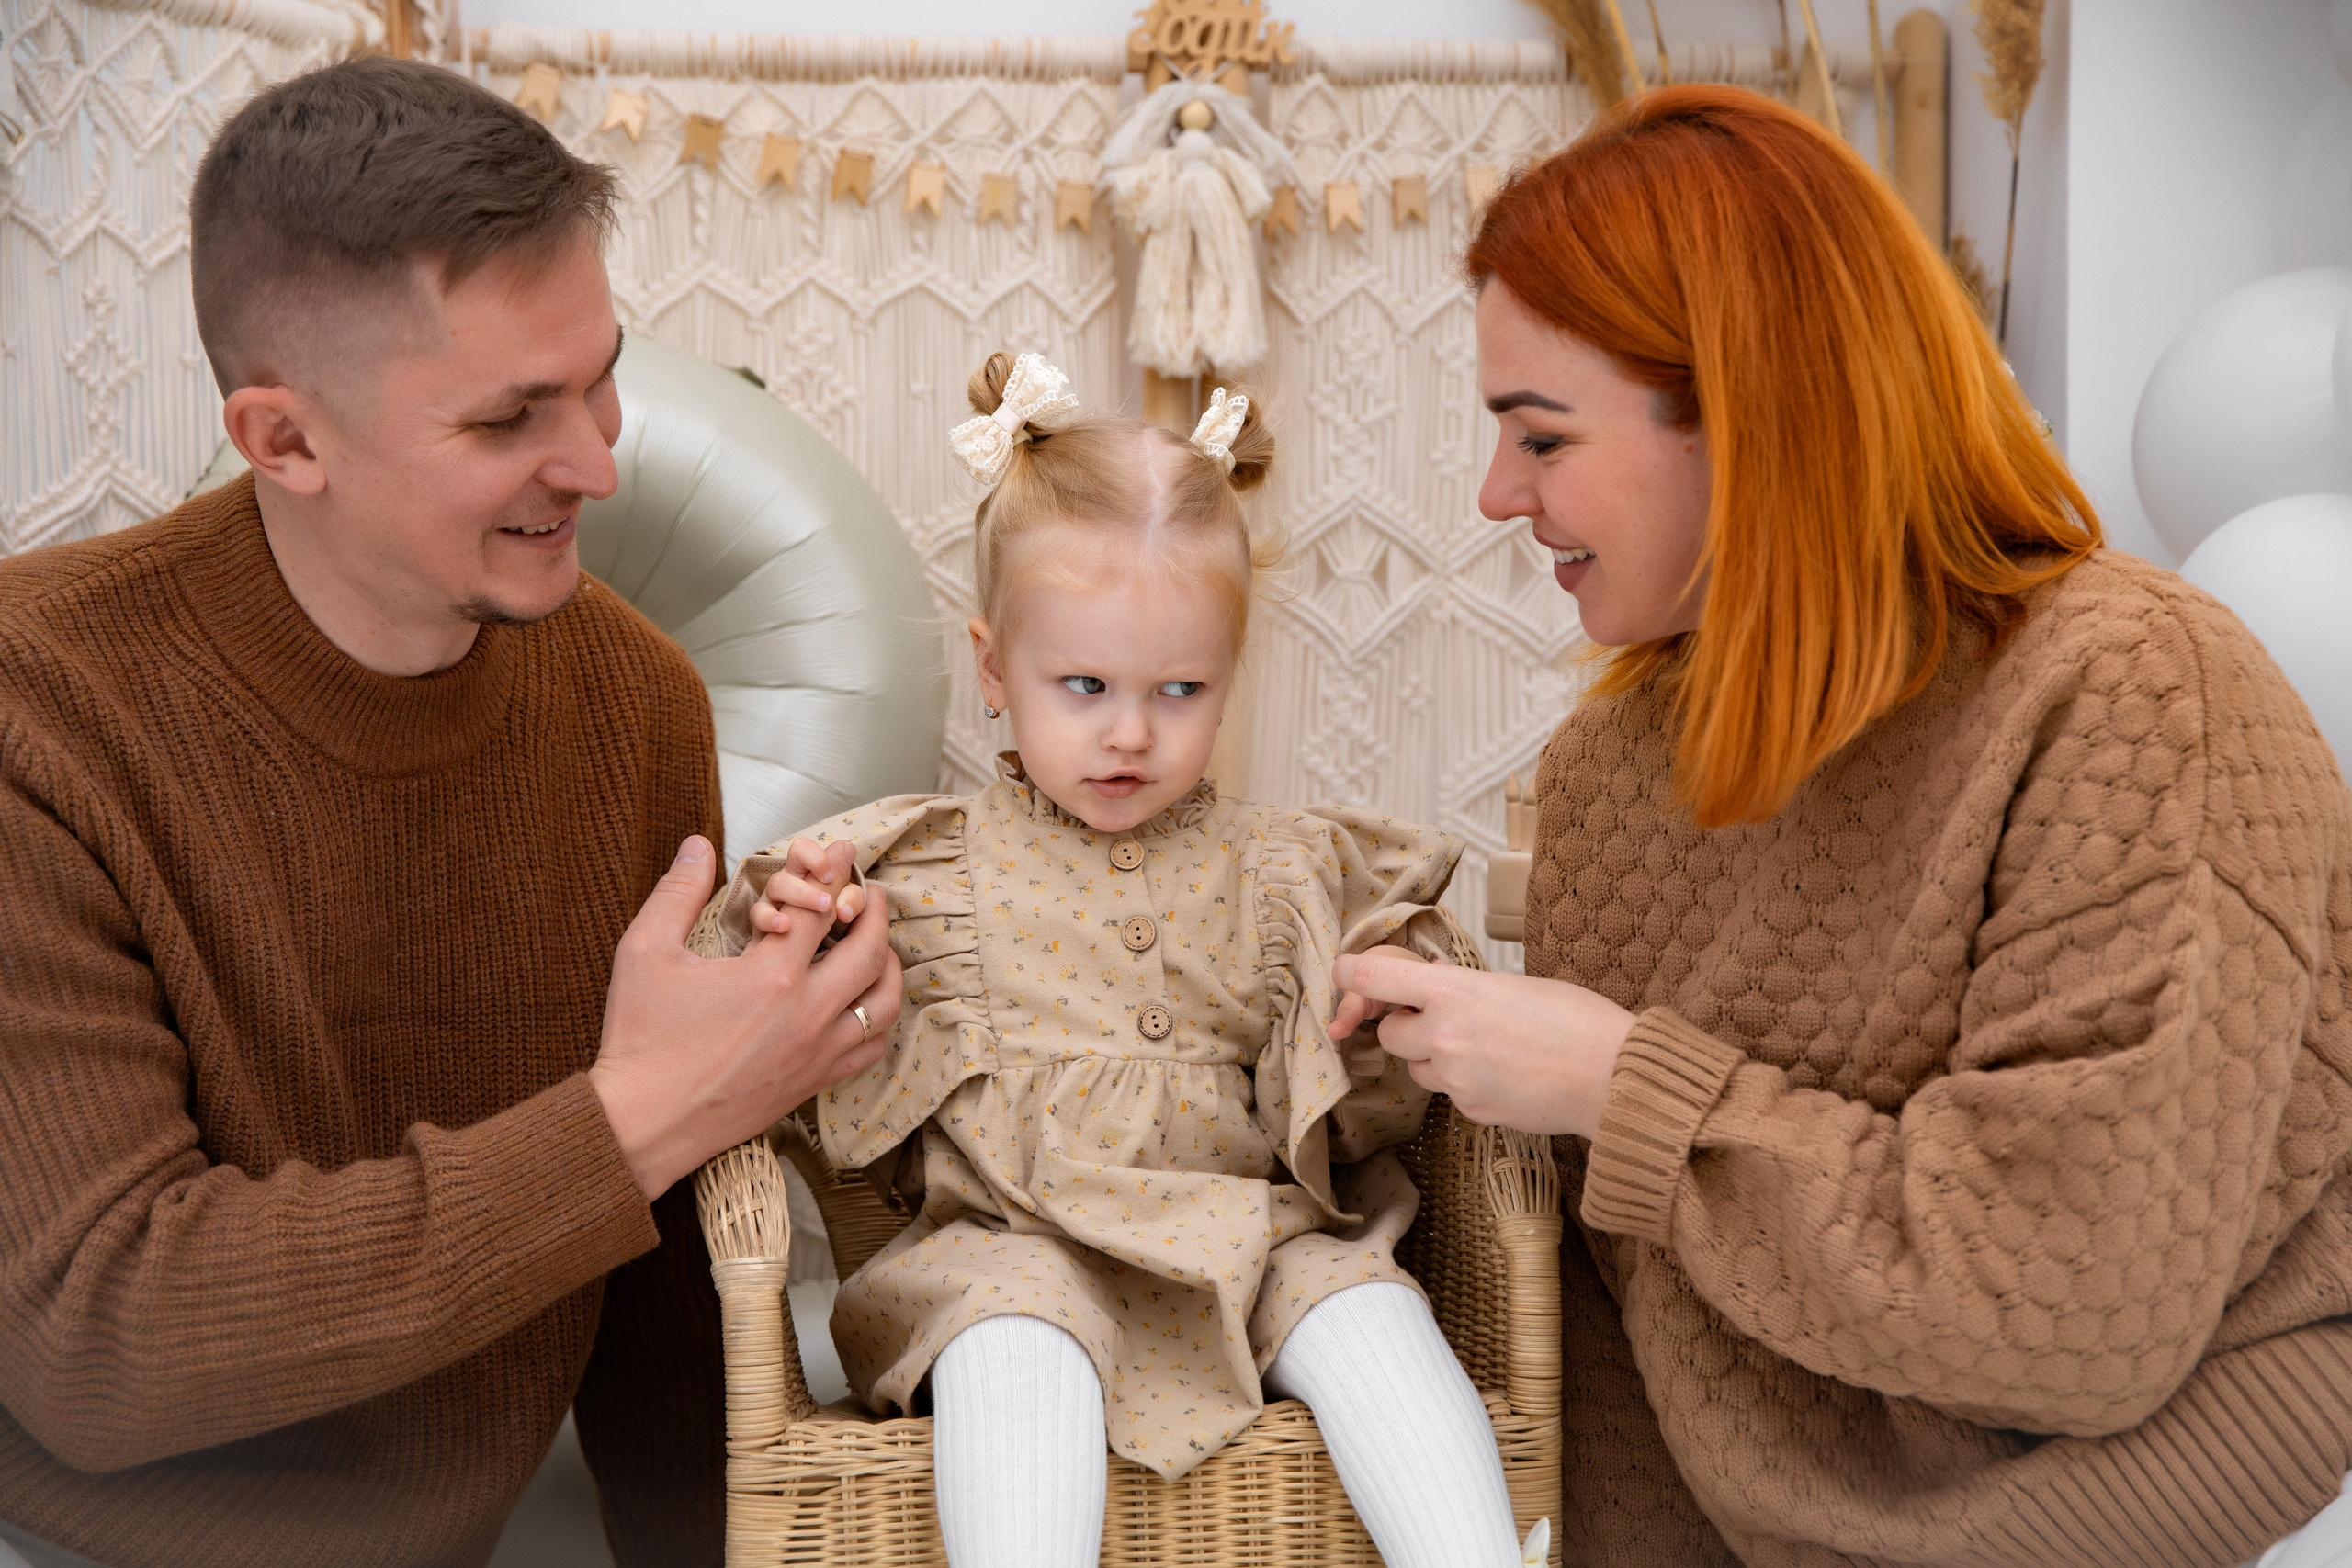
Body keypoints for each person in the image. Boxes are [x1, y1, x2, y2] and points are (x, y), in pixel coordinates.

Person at [1332, 85, 2352, 1568]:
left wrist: (1626, 1090)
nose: (1496, 495)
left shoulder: (2134, 694)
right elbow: (1641, 1364)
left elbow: (2070, 1307)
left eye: (1541, 436)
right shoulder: (1617, 771)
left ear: (1754, 417)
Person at [0, 58, 901, 1568]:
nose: (600, 461)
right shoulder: (37, 711)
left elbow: (665, 1320)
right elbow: (101, 1339)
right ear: (284, 442)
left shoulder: (635, 704)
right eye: (510, 419)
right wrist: (654, 1107)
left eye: (601, 372)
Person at [689, 352, 1546, 1568]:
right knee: (1012, 1346)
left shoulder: (1282, 870)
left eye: (1179, 689)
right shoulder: (925, 872)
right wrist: (805, 925)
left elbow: (1362, 1121)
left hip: (1252, 1238)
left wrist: (1369, 1012)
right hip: (1011, 1247)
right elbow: (747, 998)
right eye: (1082, 685)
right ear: (994, 669)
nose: (1130, 733)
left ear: (1227, 679)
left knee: (1369, 1316)